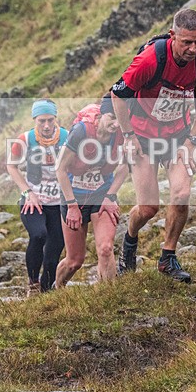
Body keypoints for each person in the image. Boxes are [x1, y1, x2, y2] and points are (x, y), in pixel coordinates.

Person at [111, 8, 196, 283]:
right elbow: (118, 95)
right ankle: (130, 238)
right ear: (173, 36)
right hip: (143, 136)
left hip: (177, 135)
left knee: (182, 194)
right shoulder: (150, 59)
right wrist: (127, 136)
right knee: (148, 209)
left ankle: (167, 258)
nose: (193, 48)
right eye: (187, 42)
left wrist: (191, 140)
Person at [55, 94, 128, 287]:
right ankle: (57, 290)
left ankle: (109, 297)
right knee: (74, 261)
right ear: (101, 115)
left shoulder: (121, 134)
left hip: (101, 194)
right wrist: (71, 206)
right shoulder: (81, 131)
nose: (116, 124)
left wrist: (111, 195)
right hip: (74, 197)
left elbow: (126, 166)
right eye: (111, 118)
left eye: (119, 119)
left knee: (105, 248)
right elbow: (60, 169)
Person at [6, 99, 68, 295]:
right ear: (35, 120)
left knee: (56, 247)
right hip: (34, 199)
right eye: (42, 121)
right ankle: (33, 283)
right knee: (38, 235)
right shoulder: (24, 139)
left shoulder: (67, 137)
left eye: (50, 120)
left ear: (56, 118)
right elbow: (11, 166)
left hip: (59, 201)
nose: (47, 125)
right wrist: (27, 192)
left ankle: (45, 289)